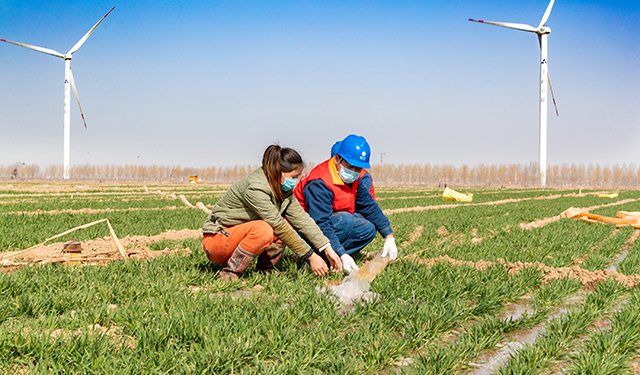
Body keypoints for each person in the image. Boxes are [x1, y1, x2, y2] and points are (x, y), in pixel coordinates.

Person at [202, 145, 342, 280]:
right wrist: (310, 256)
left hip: (236, 236)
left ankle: (265, 270)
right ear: (277, 172)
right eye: (293, 176)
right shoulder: (256, 188)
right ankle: (230, 273)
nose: (295, 181)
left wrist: (326, 248)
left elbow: (302, 219)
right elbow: (278, 225)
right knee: (265, 229)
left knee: (288, 224)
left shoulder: (282, 189)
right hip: (217, 239)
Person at [294, 134, 397, 273]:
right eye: (350, 166)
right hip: (303, 231)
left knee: (368, 229)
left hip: (329, 224)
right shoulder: (320, 182)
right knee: (346, 220)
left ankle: (328, 261)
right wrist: (342, 254)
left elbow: (369, 206)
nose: (354, 172)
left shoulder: (352, 179)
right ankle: (313, 259)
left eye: (358, 169)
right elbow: (321, 223)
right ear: (337, 159)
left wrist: (388, 236)